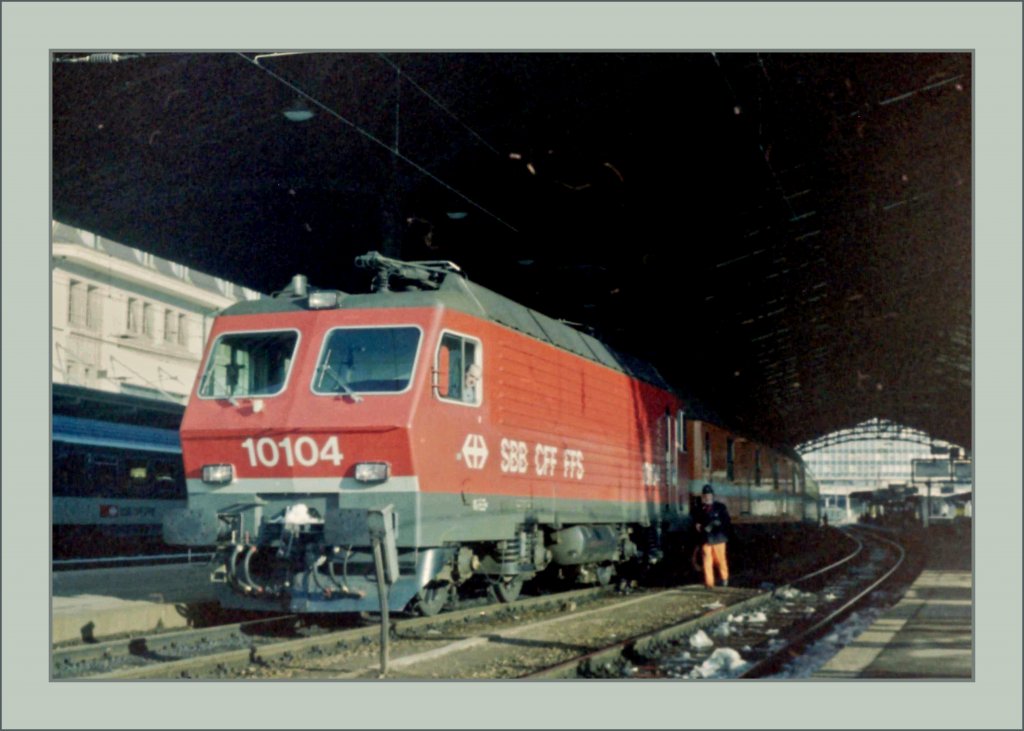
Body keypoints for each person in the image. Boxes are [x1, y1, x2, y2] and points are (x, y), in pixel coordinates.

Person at [694, 484, 731, 588]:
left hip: (718, 538)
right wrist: (700, 527)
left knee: (720, 560)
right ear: (703, 496)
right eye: (705, 495)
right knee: (707, 561)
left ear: (712, 496)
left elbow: (726, 521)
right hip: (706, 539)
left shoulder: (720, 507)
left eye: (709, 495)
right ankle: (709, 583)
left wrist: (716, 524)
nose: (707, 497)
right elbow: (697, 523)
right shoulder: (699, 509)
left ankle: (724, 578)